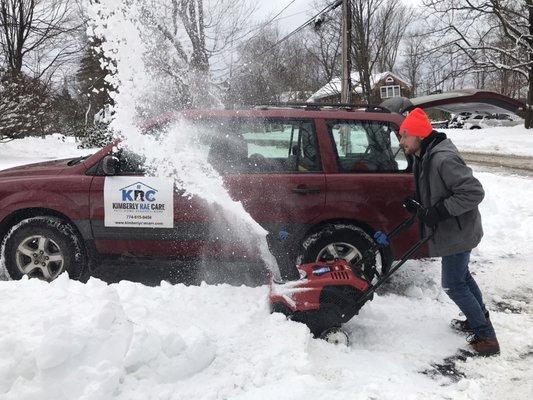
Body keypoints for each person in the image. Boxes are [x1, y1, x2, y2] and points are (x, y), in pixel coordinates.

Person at [397, 108, 499, 356]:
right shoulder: (424, 155)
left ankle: (487, 338)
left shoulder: (442, 159)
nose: (401, 142)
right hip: (454, 230)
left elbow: (474, 192)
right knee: (462, 277)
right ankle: (478, 319)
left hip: (459, 231)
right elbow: (436, 191)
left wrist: (439, 211)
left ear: (419, 135)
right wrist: (419, 205)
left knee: (453, 283)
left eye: (404, 136)